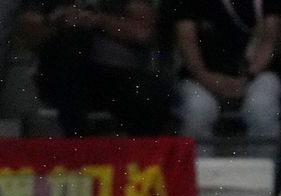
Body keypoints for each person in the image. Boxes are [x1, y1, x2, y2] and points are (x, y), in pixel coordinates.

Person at [18, 0, 172, 136]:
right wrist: (60, 21)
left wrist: (99, 20)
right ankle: (77, 137)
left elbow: (142, 32)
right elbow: (29, 34)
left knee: (150, 91)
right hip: (60, 75)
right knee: (73, 39)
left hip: (114, 75)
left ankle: (144, 159)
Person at [173, 0, 281, 156]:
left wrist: (247, 77)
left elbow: (270, 39)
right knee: (198, 110)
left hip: (257, 74)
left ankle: (262, 177)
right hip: (199, 77)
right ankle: (202, 178)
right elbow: (186, 39)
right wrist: (207, 79)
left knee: (261, 108)